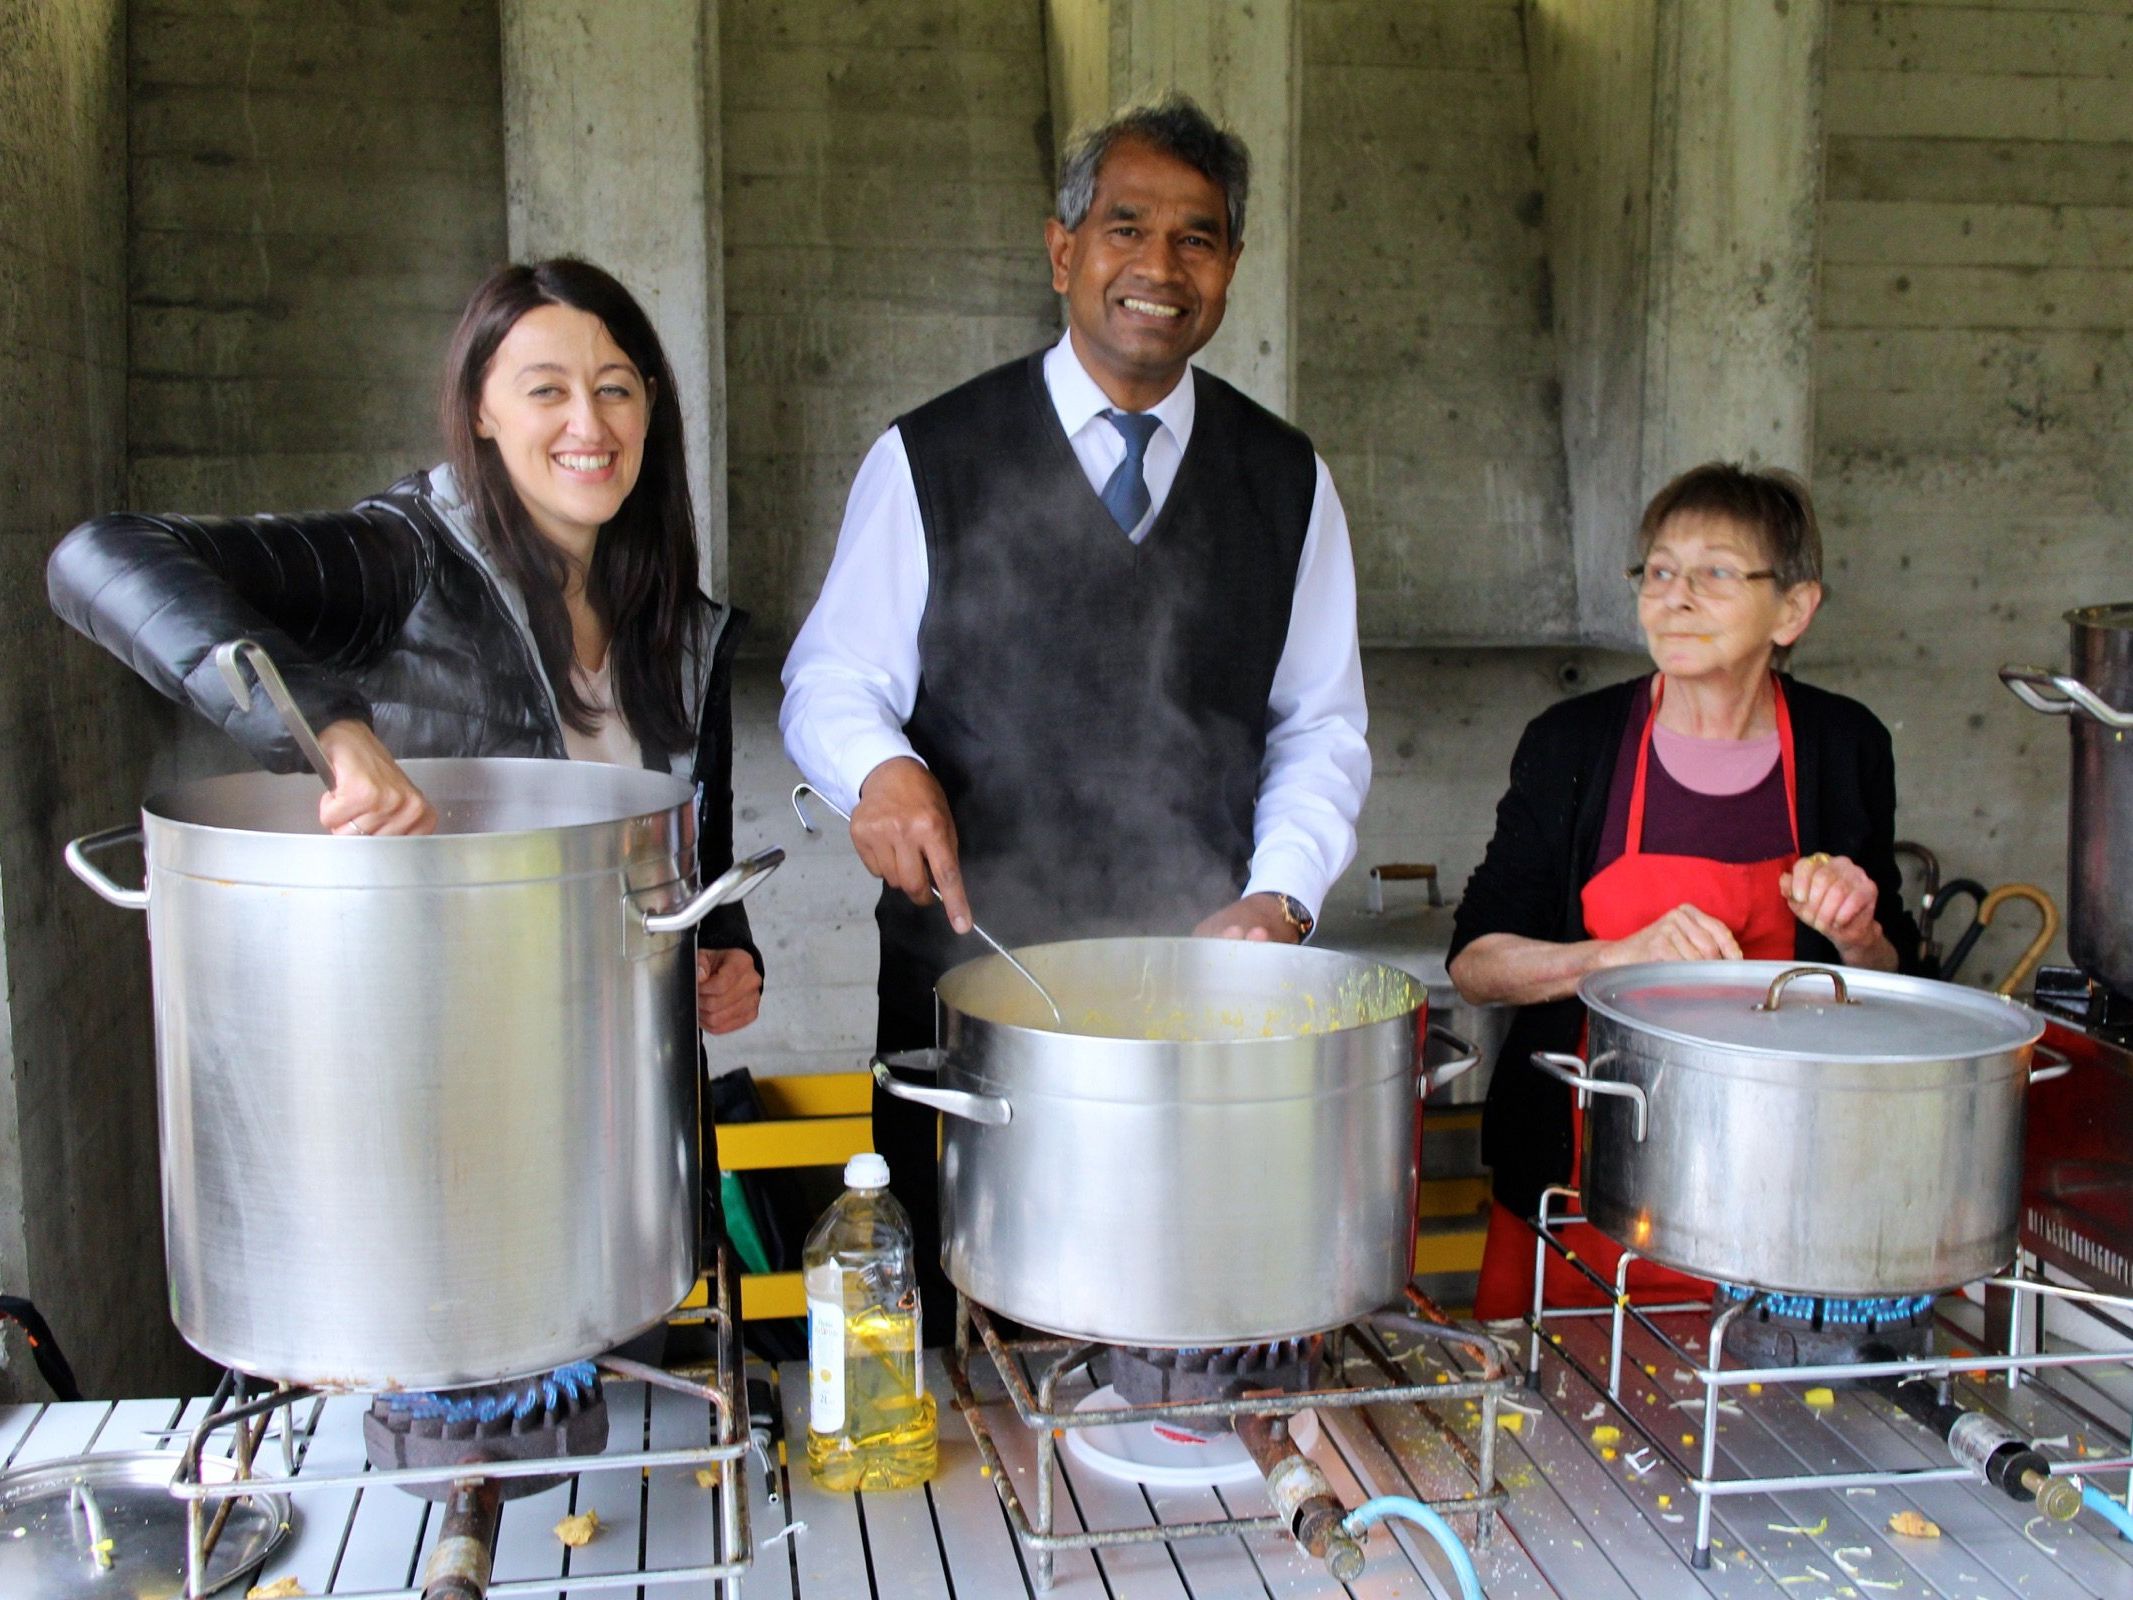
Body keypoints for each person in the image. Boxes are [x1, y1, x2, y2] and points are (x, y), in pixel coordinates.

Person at [780, 94, 1370, 1327]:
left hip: (1194, 1015)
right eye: (1126, 226)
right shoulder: (931, 455)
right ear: (1063, 251)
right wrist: (878, 773)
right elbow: (833, 678)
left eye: (1196, 238)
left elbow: (1320, 725)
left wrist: (1281, 894)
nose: (1158, 267)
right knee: (960, 1324)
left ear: (1231, 271)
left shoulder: (1287, 480)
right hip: (974, 1008)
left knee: (1184, 1327)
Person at [47, 258, 762, 1038]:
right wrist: (332, 727)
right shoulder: (402, 557)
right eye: (546, 390)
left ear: (650, 406)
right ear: (481, 409)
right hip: (436, 1069)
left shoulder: (680, 629)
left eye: (615, 389)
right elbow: (104, 555)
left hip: (631, 1087)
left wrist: (726, 952)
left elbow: (696, 863)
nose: (588, 425)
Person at [1447, 462, 1923, 1321]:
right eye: (1659, 571)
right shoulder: (1573, 744)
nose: (1675, 596)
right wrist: (1617, 958)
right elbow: (1476, 964)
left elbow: (1892, 974)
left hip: (1783, 1196)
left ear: (1793, 609)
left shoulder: (1842, 743)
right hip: (1578, 1186)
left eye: (1714, 573)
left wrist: (1857, 934)